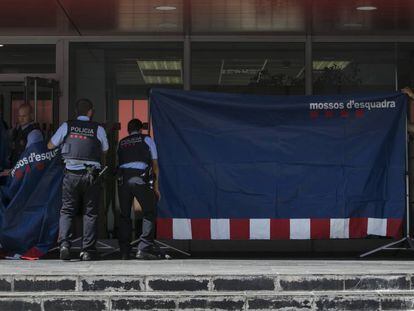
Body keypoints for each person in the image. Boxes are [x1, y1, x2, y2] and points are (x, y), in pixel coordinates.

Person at [48, 98, 109, 261]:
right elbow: (105, 149)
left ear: (76, 112)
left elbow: (50, 145)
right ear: (90, 111)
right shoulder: (98, 129)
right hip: (91, 176)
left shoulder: (66, 126)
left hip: (71, 175)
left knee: (67, 210)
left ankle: (65, 245)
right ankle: (87, 250)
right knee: (90, 214)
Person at [117, 118, 161, 260]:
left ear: (128, 130)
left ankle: (124, 251)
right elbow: (154, 164)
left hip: (123, 180)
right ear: (140, 129)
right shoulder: (146, 139)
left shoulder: (121, 142)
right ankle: (143, 248)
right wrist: (156, 187)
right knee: (149, 210)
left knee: (125, 215)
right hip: (139, 179)